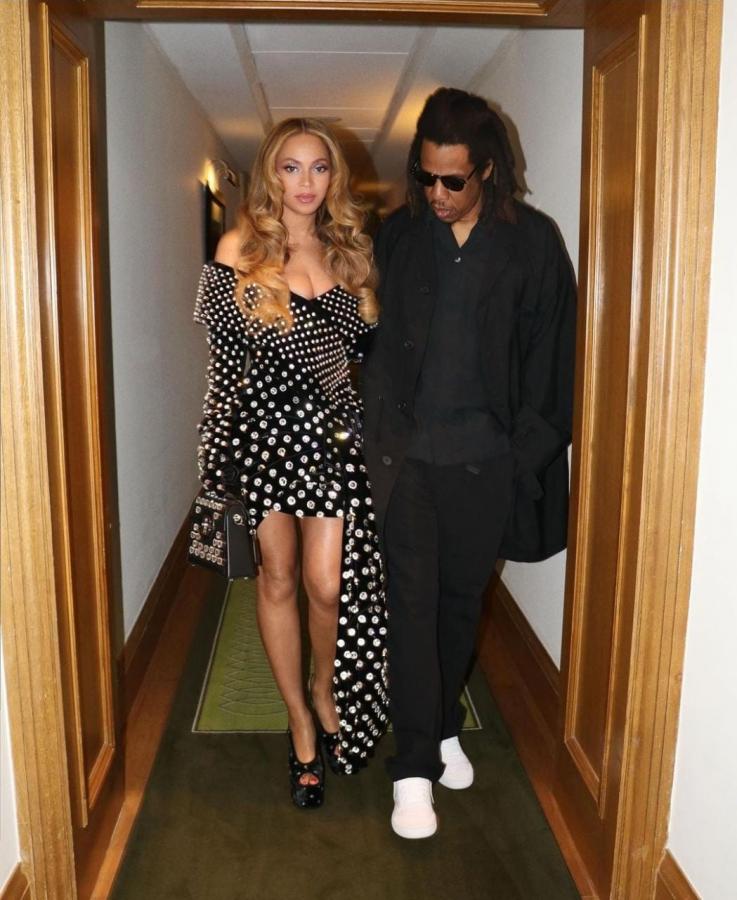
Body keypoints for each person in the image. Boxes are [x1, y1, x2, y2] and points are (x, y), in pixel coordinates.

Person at [361, 87, 576, 838]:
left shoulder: (533, 243)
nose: (437, 193)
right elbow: (371, 342)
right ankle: (413, 768)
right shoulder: (398, 236)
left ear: (487, 169)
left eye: (453, 179)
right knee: (412, 607)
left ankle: (442, 720)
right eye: (425, 176)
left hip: (487, 464)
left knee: (459, 606)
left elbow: (553, 363)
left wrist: (522, 459)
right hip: (408, 460)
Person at [194, 118, 389, 810]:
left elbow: (366, 362)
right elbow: (224, 367)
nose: (306, 183)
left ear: (334, 178)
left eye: (319, 168)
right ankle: (301, 723)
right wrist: (216, 455)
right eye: (291, 167)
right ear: (270, 175)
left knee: (327, 585)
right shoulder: (239, 247)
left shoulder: (350, 256)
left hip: (333, 440)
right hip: (263, 436)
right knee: (276, 578)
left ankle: (323, 688)